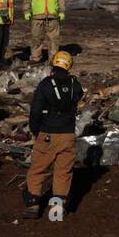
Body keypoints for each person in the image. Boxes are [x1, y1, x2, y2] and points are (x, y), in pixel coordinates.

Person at [23, 50, 84, 219]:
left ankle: (33, 205)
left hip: (48, 133)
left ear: (53, 63)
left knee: (37, 170)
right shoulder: (74, 84)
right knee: (63, 173)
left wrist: (35, 130)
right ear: (69, 65)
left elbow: (35, 111)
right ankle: (57, 211)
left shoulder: (46, 84)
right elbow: (79, 96)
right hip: (67, 135)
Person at [24, 0, 65, 64]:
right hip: (37, 15)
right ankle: (35, 58)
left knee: (54, 39)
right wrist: (26, 11)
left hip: (53, 15)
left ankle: (53, 59)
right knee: (36, 38)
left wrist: (62, 11)